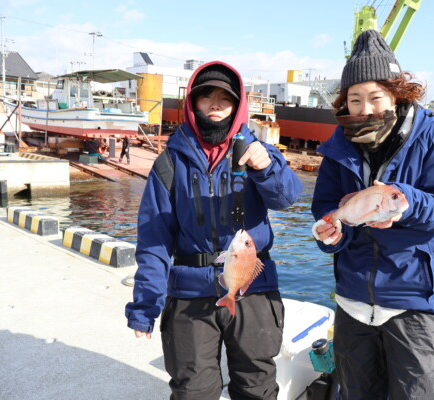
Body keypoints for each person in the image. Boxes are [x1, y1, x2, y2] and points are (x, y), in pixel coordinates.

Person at [125, 61, 302, 400]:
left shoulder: (257, 152)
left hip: (253, 288)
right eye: (207, 96)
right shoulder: (169, 163)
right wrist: (146, 305)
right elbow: (154, 239)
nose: (216, 104)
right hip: (189, 292)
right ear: (192, 103)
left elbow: (287, 198)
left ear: (238, 105)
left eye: (226, 97)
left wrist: (265, 168)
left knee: (256, 385)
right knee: (192, 389)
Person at [311, 30, 434, 400]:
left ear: (397, 93)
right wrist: (330, 233)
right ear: (344, 102)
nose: (365, 109)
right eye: (355, 99)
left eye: (376, 97)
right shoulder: (337, 147)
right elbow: (327, 209)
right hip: (352, 298)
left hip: (415, 301)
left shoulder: (433, 137)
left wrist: (406, 203)